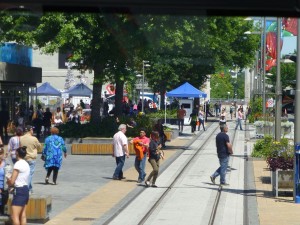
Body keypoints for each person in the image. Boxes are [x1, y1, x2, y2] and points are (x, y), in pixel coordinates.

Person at [7, 146, 30, 225]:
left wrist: (8, 180)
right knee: (22, 215)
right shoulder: (26, 164)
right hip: (26, 190)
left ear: (17, 153)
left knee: (14, 216)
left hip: (19, 191)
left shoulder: (18, 164)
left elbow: (12, 181)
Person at [20, 125, 42, 193]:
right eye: (32, 130)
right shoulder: (34, 139)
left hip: (23, 158)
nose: (33, 131)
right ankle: (26, 189)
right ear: (30, 130)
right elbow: (39, 147)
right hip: (31, 158)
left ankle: (30, 188)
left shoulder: (21, 138)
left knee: (24, 174)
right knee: (30, 174)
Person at [0, 147, 11, 215]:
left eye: (0, 153)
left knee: (3, 208)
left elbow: (9, 176)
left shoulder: (7, 163)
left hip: (4, 189)